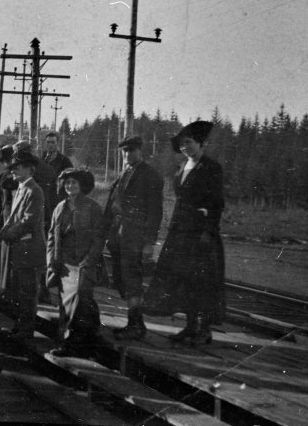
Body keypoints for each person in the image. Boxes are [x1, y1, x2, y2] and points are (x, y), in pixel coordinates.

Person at [143, 121, 225, 346]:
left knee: (202, 281)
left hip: (200, 234)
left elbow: (216, 203)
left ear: (200, 143)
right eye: (182, 144)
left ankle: (203, 329)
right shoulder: (183, 167)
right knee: (184, 280)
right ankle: (190, 327)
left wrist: (207, 231)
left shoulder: (211, 168)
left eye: (189, 143)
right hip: (180, 232)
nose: (185, 147)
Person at [101, 135, 164, 340]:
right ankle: (134, 322)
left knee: (132, 280)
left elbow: (155, 212)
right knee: (120, 278)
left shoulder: (150, 175)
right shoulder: (124, 173)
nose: (128, 154)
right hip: (117, 234)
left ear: (140, 151)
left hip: (135, 237)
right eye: (125, 151)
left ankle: (136, 324)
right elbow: (112, 204)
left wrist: (149, 243)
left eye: (132, 150)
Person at [46, 169, 105, 358]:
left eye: (74, 183)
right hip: (63, 262)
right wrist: (51, 260)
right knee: (66, 304)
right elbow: (51, 237)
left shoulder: (93, 207)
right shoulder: (60, 207)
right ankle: (66, 341)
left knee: (79, 298)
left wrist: (88, 262)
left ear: (83, 185)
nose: (70, 186)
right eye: (67, 183)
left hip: (82, 263)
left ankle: (74, 344)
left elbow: (98, 239)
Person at [0, 149, 46, 349]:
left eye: (17, 168)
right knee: (18, 291)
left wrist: (5, 235)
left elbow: (28, 221)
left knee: (28, 292)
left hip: (28, 249)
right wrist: (2, 232)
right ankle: (20, 327)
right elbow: (13, 218)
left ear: (29, 169)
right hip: (19, 248)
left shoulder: (35, 191)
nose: (13, 171)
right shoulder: (22, 188)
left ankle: (26, 331)